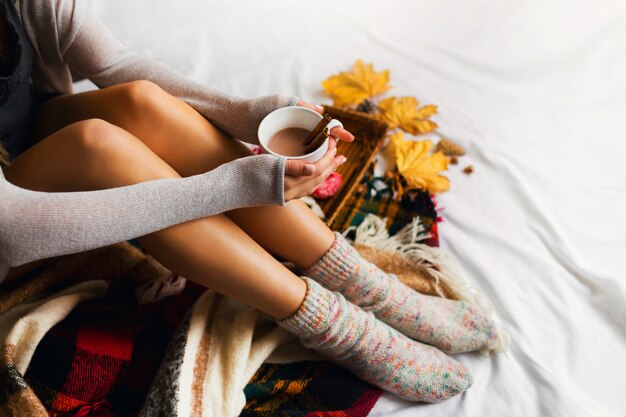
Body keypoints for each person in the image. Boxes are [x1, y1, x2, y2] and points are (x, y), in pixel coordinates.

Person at [0, 0, 498, 402]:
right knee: (97, 146)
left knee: (139, 101)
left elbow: (114, 64)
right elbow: (12, 228)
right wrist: (235, 184)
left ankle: (368, 285)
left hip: (27, 144)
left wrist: (251, 114)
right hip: (15, 223)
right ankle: (338, 328)